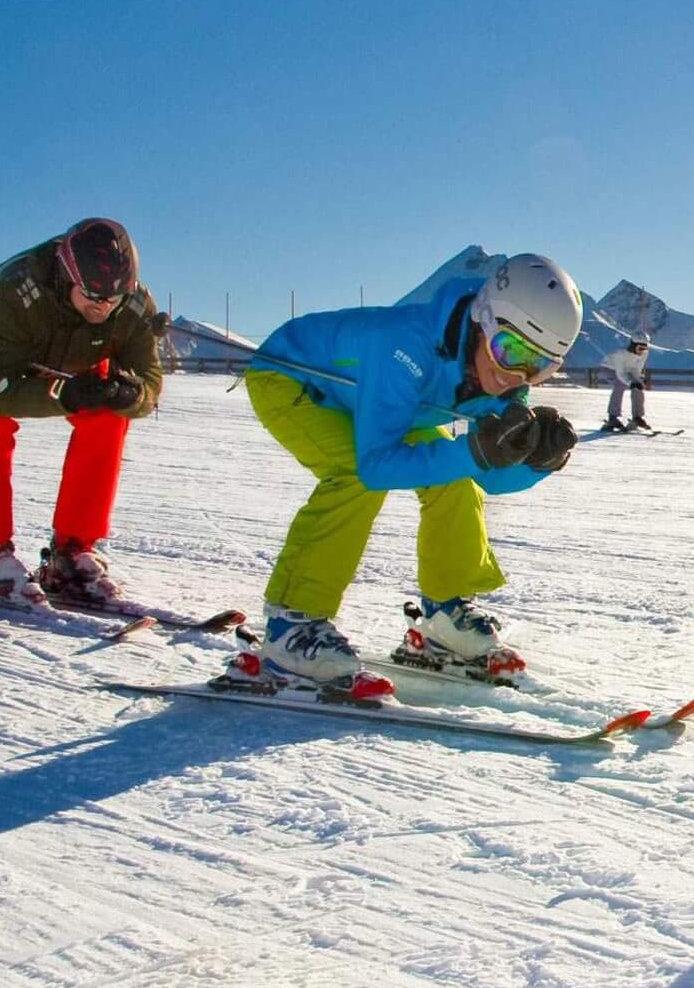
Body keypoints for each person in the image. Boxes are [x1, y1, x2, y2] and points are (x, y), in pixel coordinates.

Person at [241, 253, 585, 694]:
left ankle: (445, 614)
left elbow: (488, 475)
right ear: (482, 319)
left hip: (395, 404)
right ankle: (292, 625)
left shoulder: (504, 381)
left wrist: (538, 461)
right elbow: (376, 466)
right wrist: (475, 451)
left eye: (540, 366)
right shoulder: (406, 346)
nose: (516, 375)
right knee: (353, 476)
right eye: (510, 351)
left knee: (455, 477)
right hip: (294, 379)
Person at [0, 219, 163, 608]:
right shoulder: (17, 287)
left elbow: (149, 383)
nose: (103, 306)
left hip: (73, 341)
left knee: (109, 415)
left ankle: (72, 551)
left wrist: (130, 393)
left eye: (113, 299)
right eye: (92, 295)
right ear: (66, 276)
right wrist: (65, 394)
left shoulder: (132, 304)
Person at [602, 333, 651, 432]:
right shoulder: (621, 354)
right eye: (640, 348)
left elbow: (636, 369)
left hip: (628, 370)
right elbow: (620, 373)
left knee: (638, 387)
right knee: (620, 385)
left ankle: (637, 417)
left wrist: (638, 381)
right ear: (633, 346)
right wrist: (630, 383)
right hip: (609, 368)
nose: (642, 351)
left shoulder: (644, 353)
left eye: (644, 348)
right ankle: (612, 417)